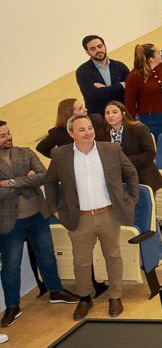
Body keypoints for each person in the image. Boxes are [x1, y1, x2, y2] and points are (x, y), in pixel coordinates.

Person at [44, 110, 141, 321]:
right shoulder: (60, 155)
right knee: (81, 262)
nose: (88, 133)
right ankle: (85, 298)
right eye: (82, 130)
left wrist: (130, 199)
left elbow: (131, 173)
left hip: (109, 214)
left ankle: (115, 296)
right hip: (79, 218)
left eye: (90, 128)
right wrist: (54, 208)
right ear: (71, 133)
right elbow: (50, 181)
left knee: (113, 256)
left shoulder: (111, 149)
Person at [0, 120, 66, 325]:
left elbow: (44, 176)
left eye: (8, 133)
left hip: (38, 215)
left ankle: (55, 292)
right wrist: (27, 179)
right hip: (10, 222)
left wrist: (11, 183)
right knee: (11, 266)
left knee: (47, 256)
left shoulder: (25, 152)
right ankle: (12, 306)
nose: (8, 137)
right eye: (2, 135)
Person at [97, 101, 162, 192]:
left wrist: (124, 162)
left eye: (114, 112)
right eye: (107, 113)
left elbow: (150, 153)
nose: (110, 115)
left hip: (142, 176)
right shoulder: (103, 134)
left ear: (123, 113)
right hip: (118, 181)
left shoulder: (139, 128)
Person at [76, 35, 130, 115]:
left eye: (100, 46)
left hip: (123, 114)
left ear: (105, 46)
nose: (98, 50)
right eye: (93, 49)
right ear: (87, 52)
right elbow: (96, 94)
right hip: (99, 119)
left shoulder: (120, 66)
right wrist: (120, 85)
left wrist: (104, 90)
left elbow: (130, 88)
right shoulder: (82, 71)